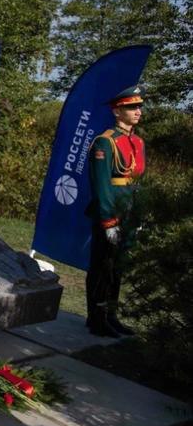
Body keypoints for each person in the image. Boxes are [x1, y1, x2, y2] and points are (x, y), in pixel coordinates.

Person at [85, 84, 146, 338]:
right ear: (117, 111)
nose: (138, 111)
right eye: (132, 107)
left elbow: (138, 183)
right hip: (109, 215)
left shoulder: (138, 142)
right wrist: (109, 222)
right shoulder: (105, 142)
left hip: (129, 214)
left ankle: (111, 315)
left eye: (139, 107)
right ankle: (96, 318)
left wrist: (138, 216)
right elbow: (102, 186)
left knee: (118, 267)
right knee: (103, 266)